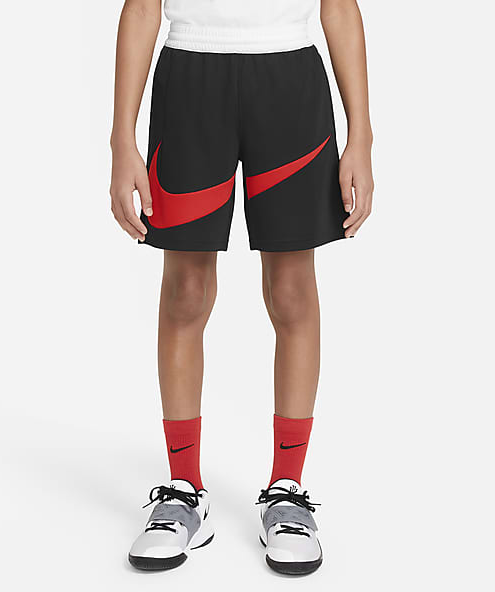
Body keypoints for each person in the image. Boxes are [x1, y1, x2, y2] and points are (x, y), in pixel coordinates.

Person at [110, 0, 374, 575]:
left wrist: (362, 136)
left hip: (289, 79)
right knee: (185, 291)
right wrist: (120, 140)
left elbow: (339, 8)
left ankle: (287, 491)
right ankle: (184, 489)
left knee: (292, 291)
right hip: (189, 76)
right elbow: (142, 9)